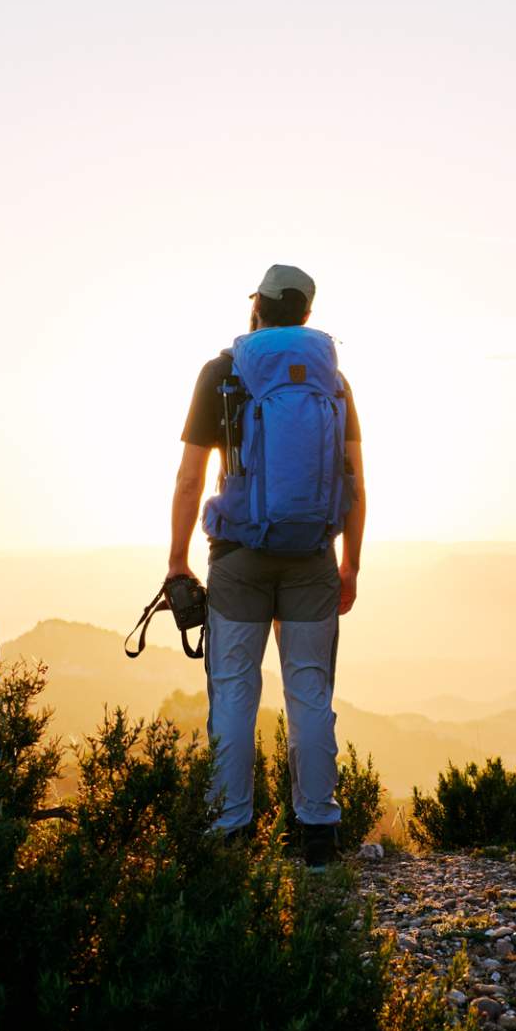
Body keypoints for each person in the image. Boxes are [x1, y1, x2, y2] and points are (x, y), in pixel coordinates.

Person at [168, 264, 367, 868]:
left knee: (233, 691)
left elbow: (189, 477)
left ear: (258, 307)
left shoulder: (223, 372)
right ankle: (318, 834)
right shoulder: (332, 378)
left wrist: (177, 562)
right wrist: (351, 563)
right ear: (305, 311)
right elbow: (354, 481)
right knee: (310, 691)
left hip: (238, 559)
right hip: (312, 557)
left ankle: (230, 830)